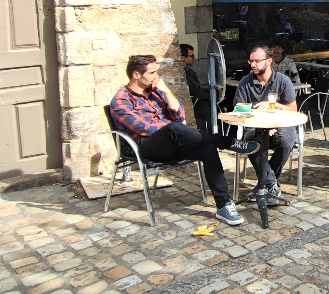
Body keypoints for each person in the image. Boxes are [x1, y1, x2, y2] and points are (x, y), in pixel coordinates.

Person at [109, 54, 260, 226]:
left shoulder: (156, 92)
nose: (156, 77)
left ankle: (223, 205)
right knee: (174, 128)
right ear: (136, 75)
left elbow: (179, 115)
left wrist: (166, 91)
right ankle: (227, 142)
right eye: (152, 73)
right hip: (144, 148)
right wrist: (172, 127)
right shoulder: (121, 100)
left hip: (171, 142)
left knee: (208, 148)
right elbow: (144, 128)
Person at [233, 44, 298, 204]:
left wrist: (275, 106)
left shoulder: (283, 81)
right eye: (251, 61)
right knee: (249, 141)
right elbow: (239, 108)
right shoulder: (245, 82)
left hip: (282, 126)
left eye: (257, 61)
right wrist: (263, 124)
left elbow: (293, 108)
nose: (253, 65)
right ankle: (271, 185)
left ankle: (265, 184)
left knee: (287, 139)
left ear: (269, 61)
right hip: (256, 127)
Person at [180, 44, 213, 133]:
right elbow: (197, 92)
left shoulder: (186, 72)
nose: (194, 58)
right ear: (183, 58)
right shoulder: (186, 73)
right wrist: (211, 94)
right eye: (191, 56)